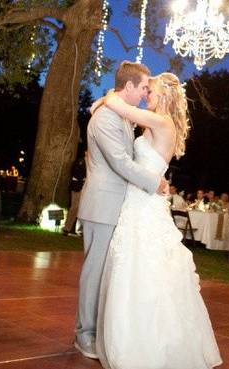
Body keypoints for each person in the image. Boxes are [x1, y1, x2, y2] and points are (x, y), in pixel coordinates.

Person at [94, 70, 222, 369]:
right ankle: (132, 337)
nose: (145, 96)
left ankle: (149, 347)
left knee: (146, 268)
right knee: (134, 267)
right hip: (138, 201)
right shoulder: (153, 123)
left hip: (146, 206)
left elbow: (120, 105)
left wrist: (105, 97)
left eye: (149, 92)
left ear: (163, 96)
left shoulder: (161, 122)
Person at [74, 61, 169, 361]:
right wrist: (154, 182)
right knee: (95, 271)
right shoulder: (105, 119)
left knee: (108, 272)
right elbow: (120, 162)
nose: (144, 94)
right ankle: (84, 334)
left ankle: (99, 331)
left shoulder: (119, 115)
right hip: (102, 205)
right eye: (142, 88)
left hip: (118, 207)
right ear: (128, 87)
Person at [62, 151, 87, 236]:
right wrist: (83, 179)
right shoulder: (80, 162)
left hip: (86, 189)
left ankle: (78, 229)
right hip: (77, 187)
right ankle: (67, 228)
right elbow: (75, 173)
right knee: (74, 207)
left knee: (82, 209)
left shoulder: (91, 163)